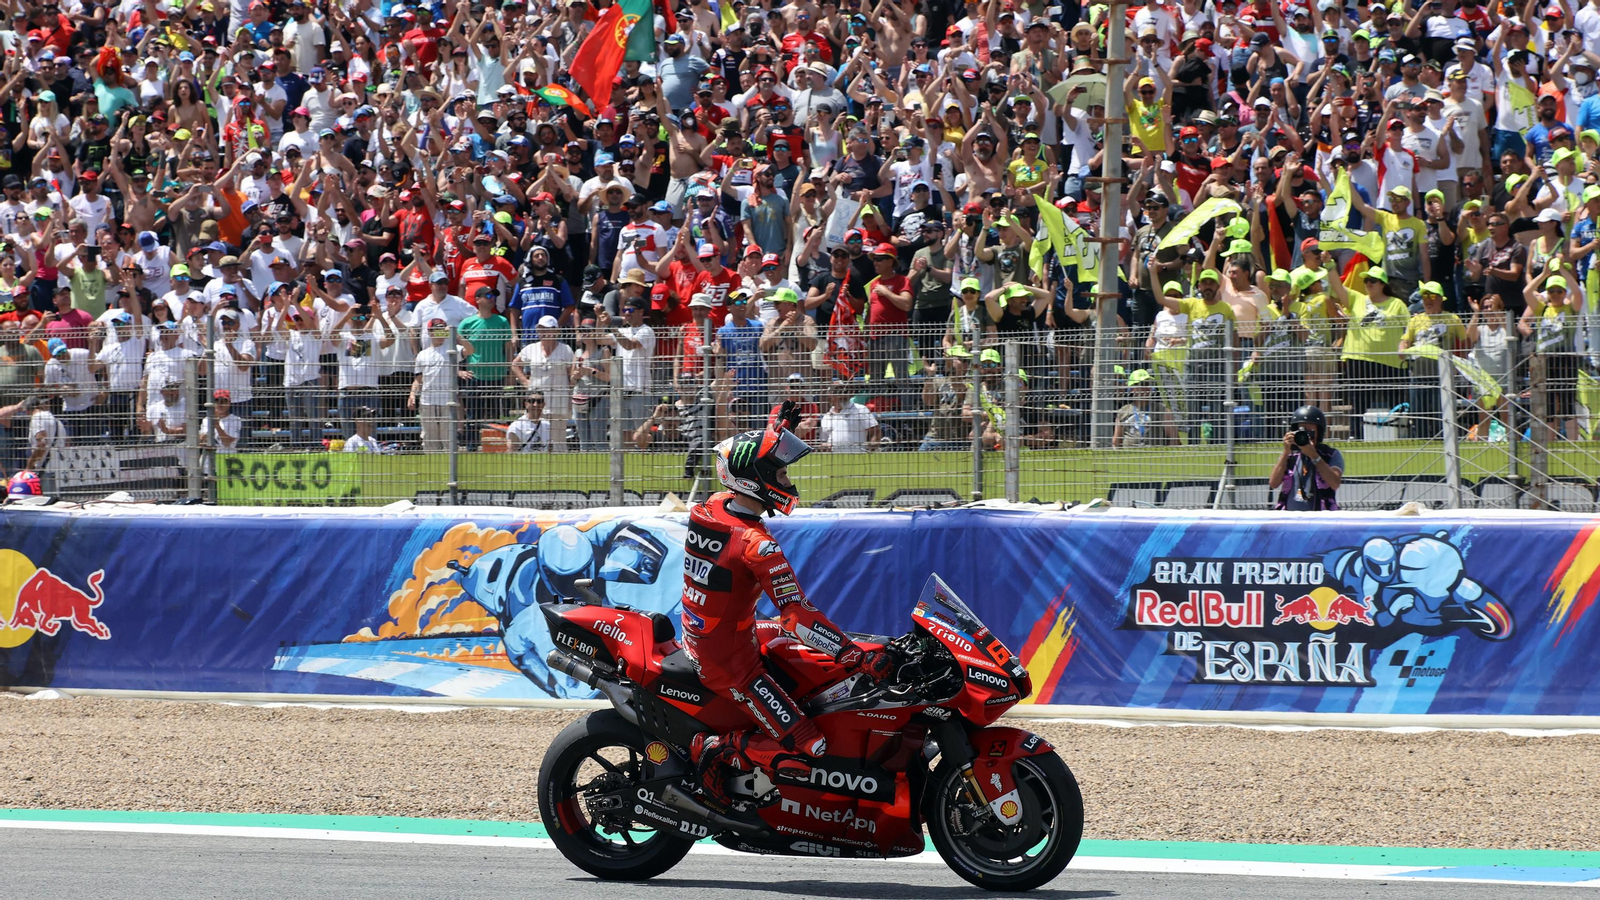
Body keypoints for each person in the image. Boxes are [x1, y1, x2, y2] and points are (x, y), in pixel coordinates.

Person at [683, 413, 893, 812]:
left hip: (719, 634)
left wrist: (772, 429)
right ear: (753, 478)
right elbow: (796, 617)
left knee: (821, 667)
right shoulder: (756, 545)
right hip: (729, 665)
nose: (786, 483)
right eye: (777, 474)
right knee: (810, 747)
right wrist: (854, 656)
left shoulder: (709, 507)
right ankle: (714, 747)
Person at [1269, 405, 1345, 510]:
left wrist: (1314, 456)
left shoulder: (1331, 454)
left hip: (1321, 518)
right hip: (1290, 518)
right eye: (1302, 431)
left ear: (1319, 433)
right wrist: (1285, 452)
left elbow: (1334, 483)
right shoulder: (1290, 455)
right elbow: (1273, 483)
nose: (1306, 436)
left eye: (1310, 432)